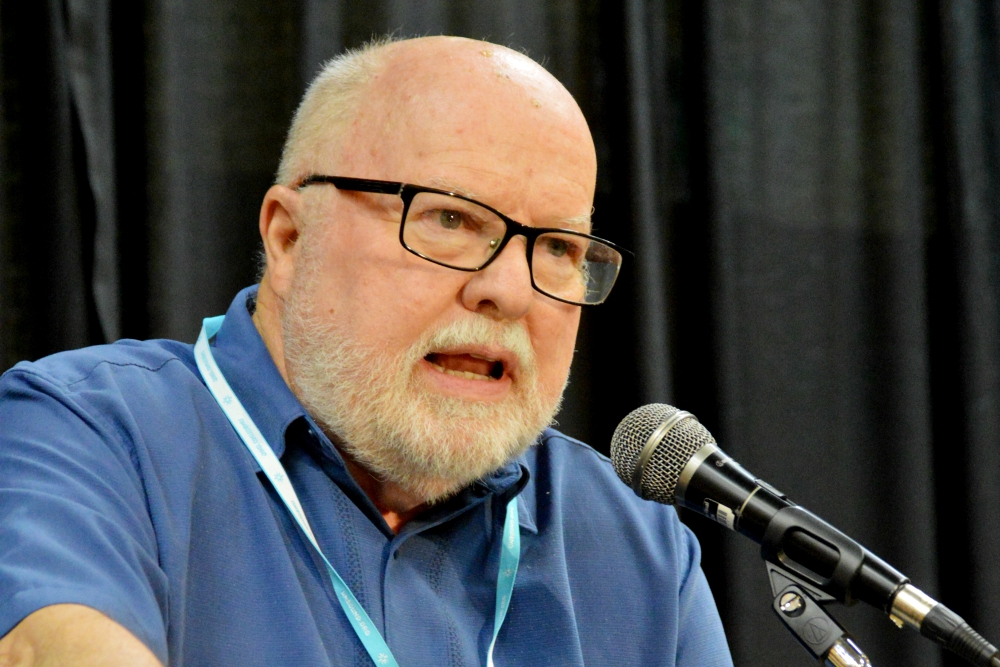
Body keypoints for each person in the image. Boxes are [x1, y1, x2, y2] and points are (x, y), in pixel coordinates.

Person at [0, 36, 732, 666]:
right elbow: (50, 644)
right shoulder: (88, 432)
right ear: (290, 239)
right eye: (450, 218)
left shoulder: (639, 549)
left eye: (560, 248)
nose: (510, 290)